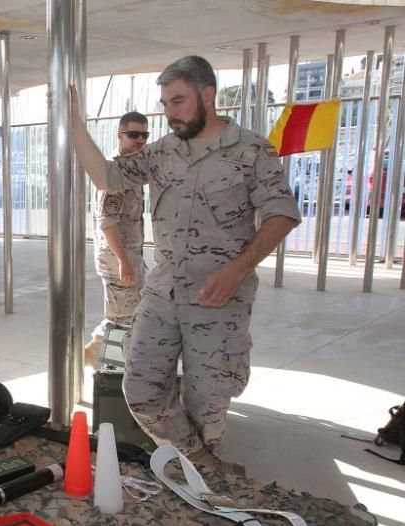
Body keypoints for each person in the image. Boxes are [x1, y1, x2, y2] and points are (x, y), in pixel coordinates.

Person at [69, 55, 300, 463]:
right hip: (163, 290)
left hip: (219, 297)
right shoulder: (162, 153)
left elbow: (281, 214)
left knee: (207, 403)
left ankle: (201, 472)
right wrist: (73, 124)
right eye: (164, 103)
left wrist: (236, 272)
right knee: (139, 389)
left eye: (177, 101)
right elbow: (106, 176)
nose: (168, 112)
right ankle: (197, 461)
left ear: (207, 95)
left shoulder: (251, 150)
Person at [83, 111, 150, 368]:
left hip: (128, 253)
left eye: (144, 135)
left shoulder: (130, 168)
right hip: (117, 256)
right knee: (122, 317)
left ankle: (96, 354)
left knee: (127, 312)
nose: (140, 141)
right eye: (133, 135)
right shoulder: (115, 172)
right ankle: (110, 372)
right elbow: (107, 222)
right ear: (120, 135)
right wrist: (124, 261)